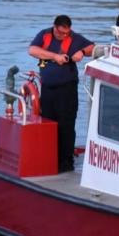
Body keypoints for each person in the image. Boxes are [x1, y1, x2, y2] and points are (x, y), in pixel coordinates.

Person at [28, 15, 94, 172]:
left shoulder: (75, 38)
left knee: (66, 125)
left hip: (67, 89)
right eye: (60, 33)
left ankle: (66, 162)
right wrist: (55, 56)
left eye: (66, 33)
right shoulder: (44, 35)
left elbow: (92, 48)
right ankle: (49, 158)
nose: (63, 36)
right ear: (54, 27)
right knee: (48, 124)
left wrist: (82, 52)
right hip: (48, 89)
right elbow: (32, 50)